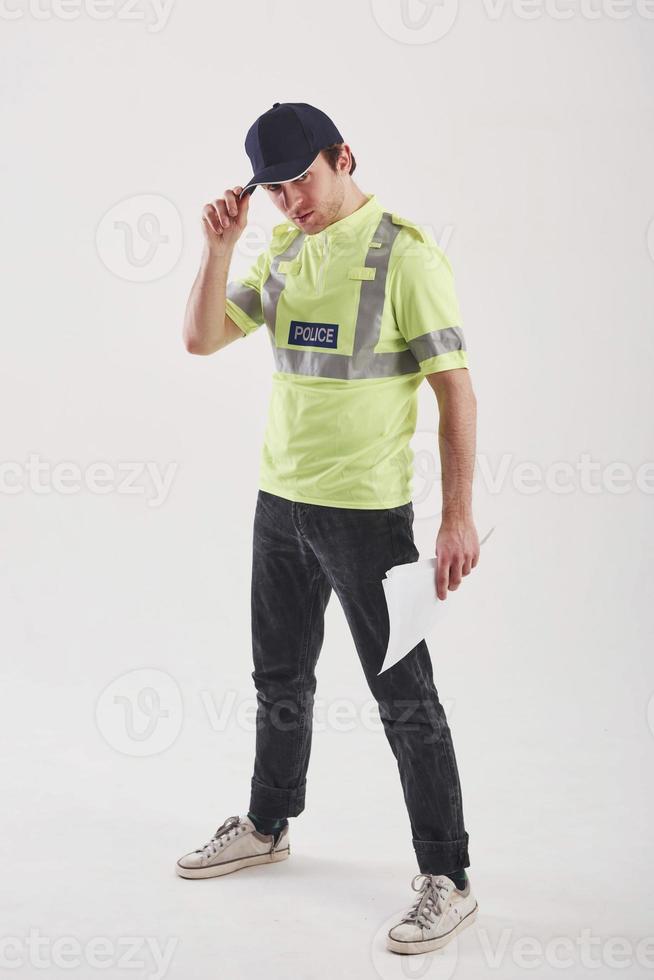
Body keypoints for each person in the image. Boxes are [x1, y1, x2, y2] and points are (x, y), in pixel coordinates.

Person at [176, 101, 480, 956]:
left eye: (302, 180)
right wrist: (220, 247)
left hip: (368, 517)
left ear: (343, 157)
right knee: (279, 677)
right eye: (273, 191)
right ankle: (270, 822)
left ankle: (448, 877)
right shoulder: (279, 250)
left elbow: (457, 389)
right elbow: (200, 340)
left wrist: (456, 516)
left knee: (404, 700)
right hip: (281, 504)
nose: (292, 202)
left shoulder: (404, 255)